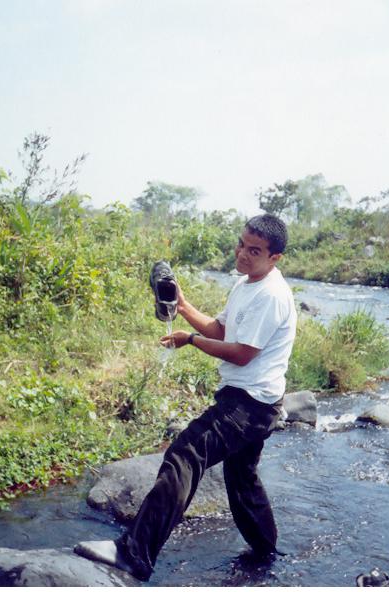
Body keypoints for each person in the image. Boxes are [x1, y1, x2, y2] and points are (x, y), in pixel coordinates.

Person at [75, 213, 297, 582]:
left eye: (254, 251)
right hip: (257, 401)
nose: (242, 254)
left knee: (185, 454)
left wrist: (190, 340)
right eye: (241, 244)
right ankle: (265, 551)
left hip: (249, 404)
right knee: (241, 476)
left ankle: (135, 553)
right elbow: (221, 329)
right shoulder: (246, 284)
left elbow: (242, 353)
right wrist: (183, 305)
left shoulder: (272, 295)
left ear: (275, 258)